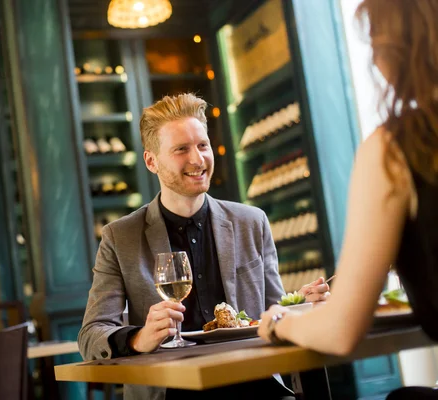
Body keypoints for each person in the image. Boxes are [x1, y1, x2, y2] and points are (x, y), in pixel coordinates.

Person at [78, 93, 329, 400]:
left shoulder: (251, 222)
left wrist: (300, 304)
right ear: (151, 161)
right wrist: (138, 339)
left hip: (254, 384)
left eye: (202, 145)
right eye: (181, 149)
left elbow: (275, 315)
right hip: (173, 391)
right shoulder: (120, 238)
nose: (197, 159)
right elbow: (91, 336)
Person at [258, 0, 438, 398]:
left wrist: (277, 322)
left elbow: (341, 331)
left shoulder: (396, 148)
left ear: (395, 46)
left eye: (374, 34)